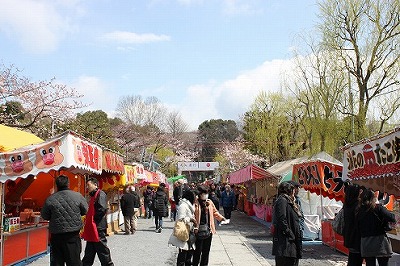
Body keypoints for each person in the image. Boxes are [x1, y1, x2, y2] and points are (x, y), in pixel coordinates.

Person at [41, 175, 88, 266]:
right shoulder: (78, 196)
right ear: (68, 184)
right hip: (73, 235)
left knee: (57, 263)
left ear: (56, 185)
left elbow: (45, 216)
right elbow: (85, 210)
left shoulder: (50, 199)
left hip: (56, 236)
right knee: (74, 262)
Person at [356, 188, 395, 266]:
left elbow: (357, 226)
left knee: (370, 263)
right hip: (380, 241)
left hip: (366, 241)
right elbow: (392, 217)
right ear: (374, 198)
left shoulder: (358, 210)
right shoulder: (378, 208)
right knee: (383, 263)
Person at [82, 177, 114, 266]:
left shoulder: (100, 194)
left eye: (88, 185)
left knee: (102, 250)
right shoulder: (93, 195)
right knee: (89, 251)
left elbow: (102, 209)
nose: (87, 187)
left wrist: (94, 219)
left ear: (95, 185)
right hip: (94, 226)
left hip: (98, 226)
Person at [192, 185, 226, 266]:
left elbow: (215, 212)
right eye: (204, 193)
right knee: (197, 251)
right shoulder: (195, 203)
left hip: (208, 229)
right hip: (198, 230)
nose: (206, 195)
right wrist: (195, 226)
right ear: (200, 194)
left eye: (206, 193)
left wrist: (221, 218)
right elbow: (192, 215)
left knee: (206, 251)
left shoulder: (209, 202)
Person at [272, 181, 302, 266]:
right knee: (286, 261)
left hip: (290, 240)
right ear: (288, 190)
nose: (295, 191)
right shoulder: (282, 200)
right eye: (293, 189)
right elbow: (282, 218)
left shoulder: (290, 201)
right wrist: (289, 233)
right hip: (285, 241)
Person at [168, 189, 198, 266]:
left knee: (188, 255)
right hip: (183, 232)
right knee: (182, 256)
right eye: (194, 196)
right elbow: (180, 219)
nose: (196, 198)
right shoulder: (183, 206)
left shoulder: (190, 206)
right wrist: (191, 219)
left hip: (189, 233)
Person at [342, 182, 363, 266]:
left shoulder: (346, 204)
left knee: (352, 258)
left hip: (348, 235)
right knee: (356, 260)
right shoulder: (358, 205)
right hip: (357, 236)